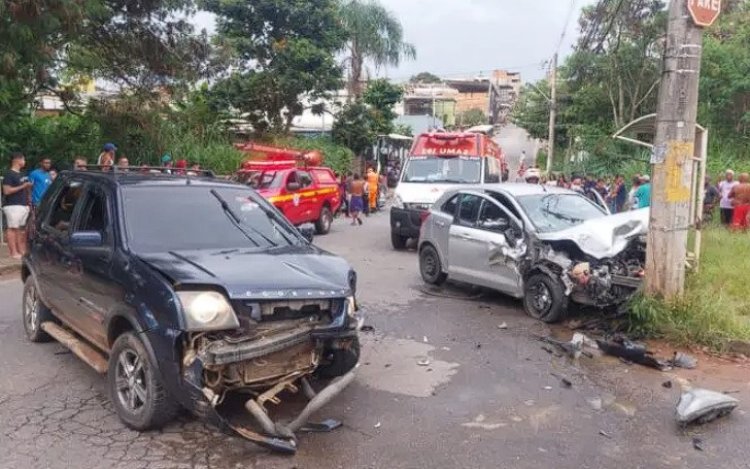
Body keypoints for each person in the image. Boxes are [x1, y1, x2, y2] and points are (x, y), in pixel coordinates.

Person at [2, 152, 32, 259]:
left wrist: (29, 200)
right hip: (12, 205)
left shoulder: (22, 174)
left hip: (23, 205)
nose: (24, 162)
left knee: (20, 229)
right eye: (23, 159)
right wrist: (23, 186)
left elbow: (26, 189)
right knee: (12, 228)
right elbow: (6, 191)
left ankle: (21, 250)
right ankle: (13, 252)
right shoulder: (9, 174)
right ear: (17, 160)